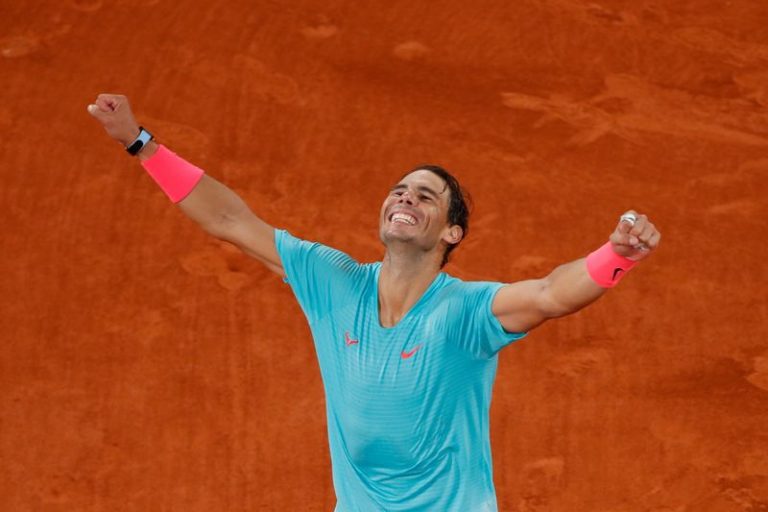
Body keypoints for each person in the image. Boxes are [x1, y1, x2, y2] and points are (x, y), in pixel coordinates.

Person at [88, 93, 661, 512]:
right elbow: (229, 219)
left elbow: (552, 294)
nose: (406, 198)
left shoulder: (463, 313)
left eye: (426, 196)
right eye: (399, 190)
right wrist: (139, 142)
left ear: (452, 233)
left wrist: (616, 255)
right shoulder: (333, 281)